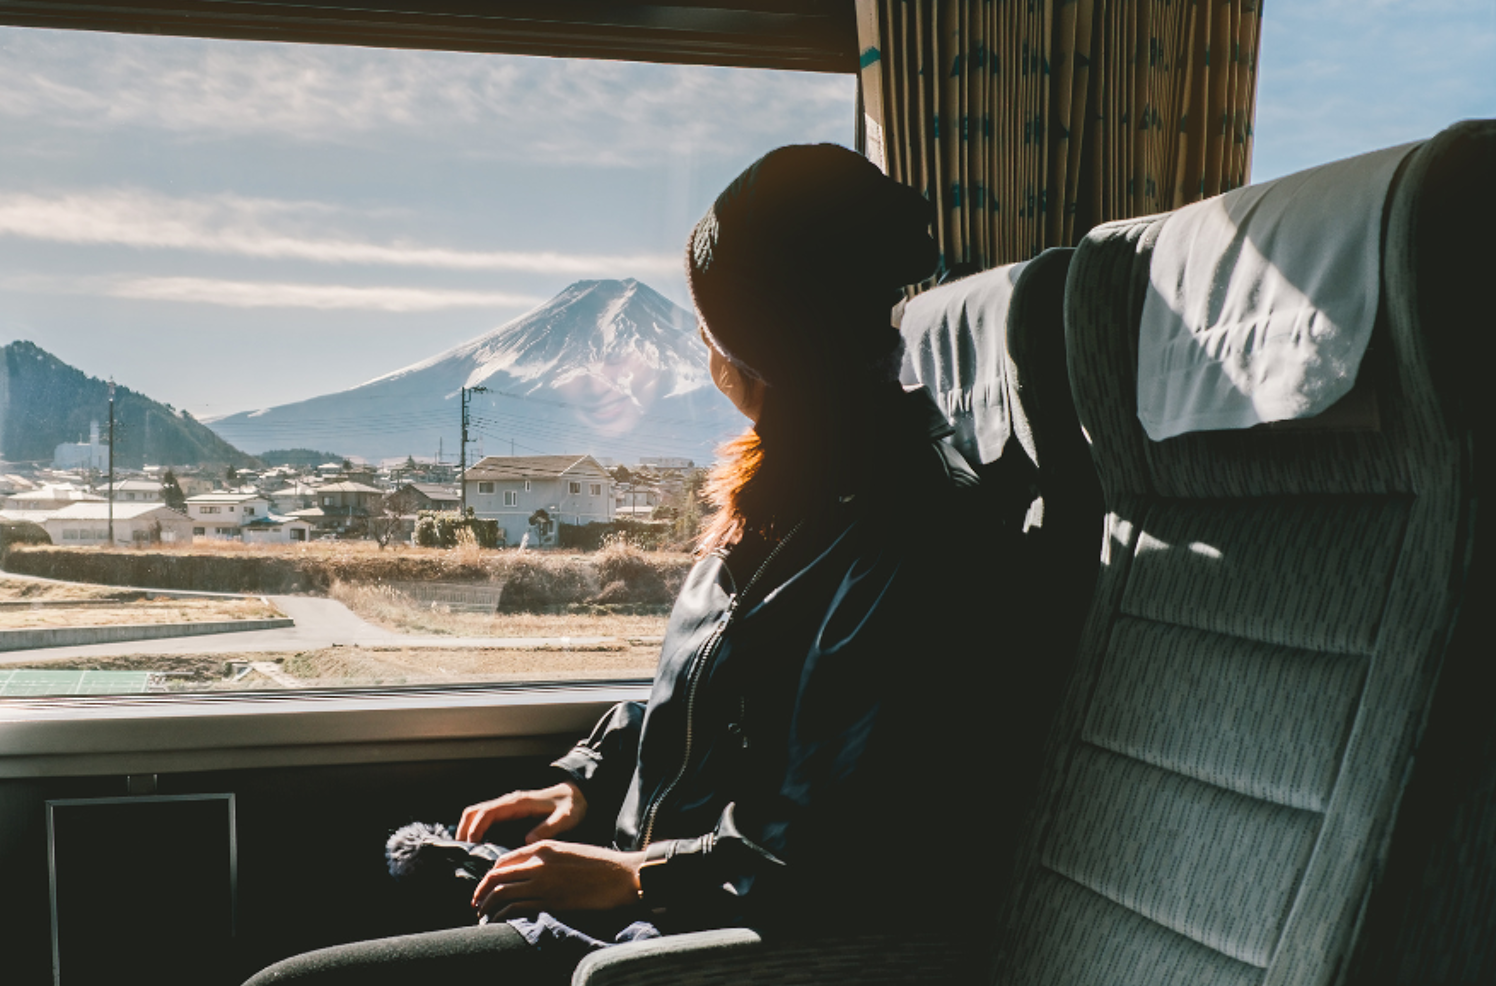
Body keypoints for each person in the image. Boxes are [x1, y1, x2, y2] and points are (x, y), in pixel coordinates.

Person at [245, 143, 1028, 985]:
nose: (699, 337)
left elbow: (834, 833)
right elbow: (714, 693)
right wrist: (584, 782)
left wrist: (633, 875)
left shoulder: (911, 532)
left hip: (694, 941)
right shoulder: (787, 489)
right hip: (658, 905)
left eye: (714, 320)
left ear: (770, 347)